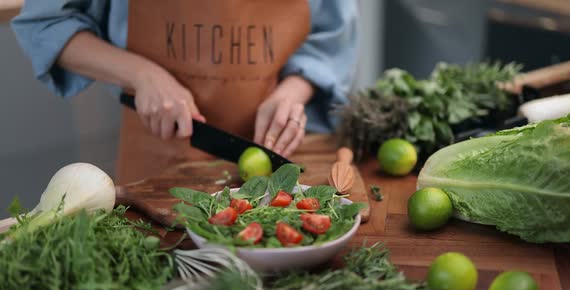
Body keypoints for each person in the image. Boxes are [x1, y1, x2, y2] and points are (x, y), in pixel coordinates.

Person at [11, 1, 358, 184]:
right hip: (157, 160)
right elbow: (47, 24)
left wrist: (293, 92)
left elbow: (334, 35)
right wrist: (142, 74)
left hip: (288, 152)